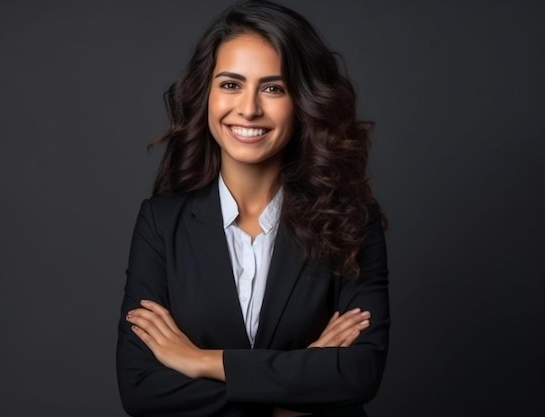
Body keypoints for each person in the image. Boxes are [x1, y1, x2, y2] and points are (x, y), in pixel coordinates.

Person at [116, 1, 389, 416]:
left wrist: (203, 361)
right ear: (205, 93)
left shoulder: (351, 221)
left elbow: (359, 372)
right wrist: (295, 398)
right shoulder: (160, 223)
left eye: (273, 88)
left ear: (303, 101)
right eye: (230, 84)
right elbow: (141, 389)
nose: (248, 108)